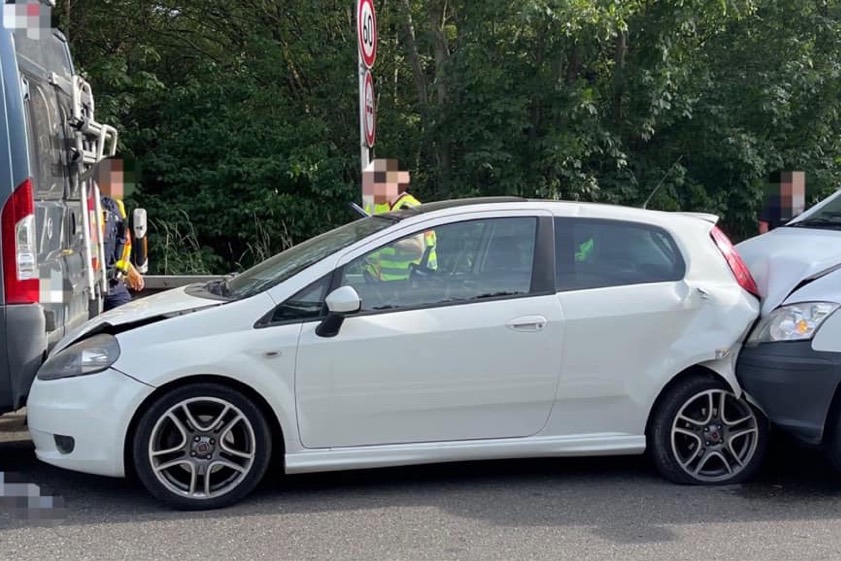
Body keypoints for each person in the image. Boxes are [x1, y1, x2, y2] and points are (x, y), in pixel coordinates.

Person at [361, 158, 437, 280]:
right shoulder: (375, 206)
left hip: (409, 282)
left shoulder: (410, 207)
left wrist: (385, 239)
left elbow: (417, 247)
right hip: (377, 280)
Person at [96, 157, 144, 310]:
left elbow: (121, 245)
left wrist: (130, 270)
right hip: (93, 283)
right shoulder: (89, 205)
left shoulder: (117, 205)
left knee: (129, 319)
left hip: (114, 283)